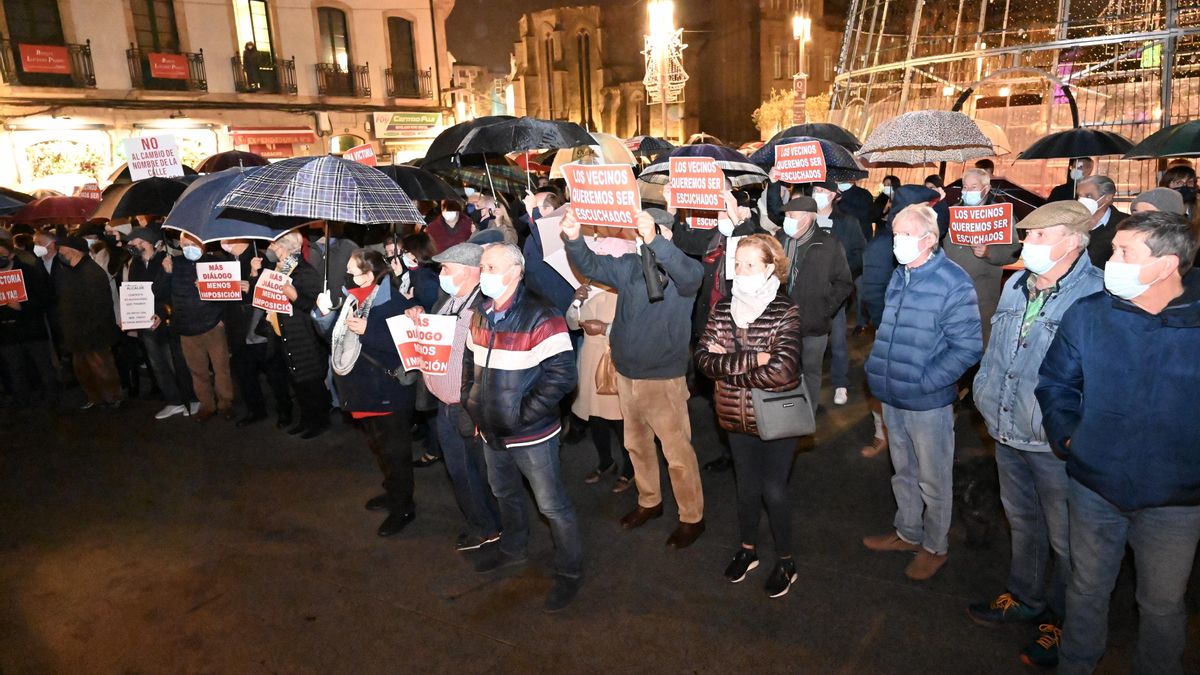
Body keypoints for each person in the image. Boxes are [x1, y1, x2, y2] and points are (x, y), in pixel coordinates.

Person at [1036, 211, 1200, 675]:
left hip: (1176, 501)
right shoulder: (1089, 314)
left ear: (1167, 265)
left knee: (1163, 605)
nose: (1111, 259)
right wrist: (1070, 438)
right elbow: (1055, 384)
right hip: (1094, 487)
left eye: (1125, 252)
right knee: (1085, 589)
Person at [968, 202, 1104, 668]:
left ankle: (1063, 622)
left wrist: (1072, 434)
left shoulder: (1096, 295)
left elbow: (1098, 379)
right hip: (1007, 429)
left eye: (1039, 238)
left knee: (1067, 539)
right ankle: (1024, 596)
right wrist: (984, 394)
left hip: (1054, 443)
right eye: (1027, 237)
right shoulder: (1018, 285)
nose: (1027, 245)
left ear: (1072, 240)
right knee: (1022, 521)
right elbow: (997, 349)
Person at [563, 207, 708, 549]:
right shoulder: (630, 266)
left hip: (662, 379)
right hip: (626, 373)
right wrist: (573, 239)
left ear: (667, 234)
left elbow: (691, 277)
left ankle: (692, 517)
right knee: (637, 445)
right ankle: (649, 501)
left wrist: (656, 240)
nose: (639, 238)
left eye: (650, 233)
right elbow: (592, 265)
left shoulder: (684, 270)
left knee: (677, 453)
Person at [862, 204, 982, 581]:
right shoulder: (902, 275)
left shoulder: (953, 281)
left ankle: (934, 546)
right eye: (894, 233)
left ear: (929, 240)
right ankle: (908, 532)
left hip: (926, 401)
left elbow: (967, 347)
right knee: (903, 471)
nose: (896, 241)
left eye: (905, 234)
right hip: (892, 393)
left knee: (933, 477)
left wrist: (928, 381)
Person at [461, 242, 582, 613]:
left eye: (491, 267)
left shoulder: (542, 316)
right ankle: (513, 548)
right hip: (491, 430)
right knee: (505, 493)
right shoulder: (480, 313)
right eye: (482, 267)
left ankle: (570, 571)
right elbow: (470, 363)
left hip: (531, 433)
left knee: (552, 505)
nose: (484, 274)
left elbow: (562, 376)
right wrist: (472, 402)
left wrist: (522, 414)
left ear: (515, 271)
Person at [696, 234, 803, 598]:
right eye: (737, 264)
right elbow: (703, 361)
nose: (740, 271)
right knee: (746, 488)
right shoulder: (724, 308)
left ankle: (786, 561)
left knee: (774, 490)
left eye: (750, 264)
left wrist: (728, 364)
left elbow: (783, 371)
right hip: (734, 415)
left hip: (775, 418)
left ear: (770, 267)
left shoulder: (785, 310)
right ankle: (748, 549)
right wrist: (754, 359)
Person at [314, 249, 418, 537]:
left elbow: (404, 345)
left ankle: (403, 507)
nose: (347, 275)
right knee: (380, 448)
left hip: (387, 393)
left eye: (352, 270)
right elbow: (335, 336)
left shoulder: (393, 301)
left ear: (370, 275)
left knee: (396, 453)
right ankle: (393, 492)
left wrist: (368, 330)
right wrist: (323, 315)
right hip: (364, 390)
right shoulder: (352, 300)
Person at [405, 242, 501, 551]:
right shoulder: (447, 299)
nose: (441, 274)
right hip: (444, 405)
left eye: (446, 268)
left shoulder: (484, 308)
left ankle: (488, 527)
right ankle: (485, 523)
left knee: (472, 472)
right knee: (460, 471)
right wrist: (418, 315)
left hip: (467, 407)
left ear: (470, 271)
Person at [776, 196, 852, 413]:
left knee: (810, 371)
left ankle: (806, 413)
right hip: (782, 322)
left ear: (808, 218)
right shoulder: (780, 239)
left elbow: (844, 282)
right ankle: (785, 412)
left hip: (814, 324)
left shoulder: (829, 244)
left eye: (792, 216)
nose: (787, 220)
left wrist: (826, 309)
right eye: (786, 216)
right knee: (785, 369)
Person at [250, 231, 330, 439]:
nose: (271, 249)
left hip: (303, 337)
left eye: (274, 246)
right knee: (297, 381)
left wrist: (295, 296)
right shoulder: (278, 269)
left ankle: (320, 421)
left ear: (283, 248)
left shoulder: (304, 271)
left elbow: (316, 307)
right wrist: (256, 275)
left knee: (311, 381)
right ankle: (306, 419)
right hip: (284, 335)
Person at [218, 239, 293, 429]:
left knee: (274, 373)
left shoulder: (262, 260)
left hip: (258, 329)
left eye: (227, 239)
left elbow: (270, 293)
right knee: (245, 373)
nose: (223, 242)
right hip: (236, 329)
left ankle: (285, 411)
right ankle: (255, 410)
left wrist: (252, 278)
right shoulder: (225, 263)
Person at [566, 281, 633, 492]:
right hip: (589, 361)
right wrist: (576, 301)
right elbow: (572, 324)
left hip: (612, 360)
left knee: (620, 419)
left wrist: (604, 329)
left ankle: (631, 468)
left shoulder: (625, 287)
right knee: (595, 417)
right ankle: (606, 463)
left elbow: (633, 329)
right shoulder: (587, 288)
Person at [125, 227, 197, 420]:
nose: (135, 246)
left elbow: (175, 292)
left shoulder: (167, 260)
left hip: (168, 320)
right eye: (133, 243)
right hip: (146, 322)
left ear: (152, 242)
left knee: (176, 362)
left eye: (139, 241)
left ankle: (191, 397)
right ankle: (174, 400)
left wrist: (161, 311)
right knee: (157, 363)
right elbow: (134, 292)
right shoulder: (135, 264)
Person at [942, 168, 1021, 343]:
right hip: (951, 288)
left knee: (980, 338)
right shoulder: (952, 212)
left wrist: (988, 252)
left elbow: (1013, 251)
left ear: (986, 188)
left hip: (982, 293)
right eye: (965, 186)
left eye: (974, 186)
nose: (968, 191)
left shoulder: (1001, 215)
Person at [166, 233, 235, 423]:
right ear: (180, 244)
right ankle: (207, 405)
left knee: (221, 368)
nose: (190, 247)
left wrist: (222, 318)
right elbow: (159, 292)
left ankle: (225, 403)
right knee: (198, 371)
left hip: (213, 324)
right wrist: (165, 273)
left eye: (194, 244)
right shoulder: (173, 263)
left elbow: (228, 294)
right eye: (186, 244)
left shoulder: (215, 262)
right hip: (186, 327)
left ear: (203, 245)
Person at [812, 181, 865, 406]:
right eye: (815, 190)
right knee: (807, 341)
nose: (817, 194)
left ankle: (840, 383)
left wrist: (842, 275)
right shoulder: (807, 218)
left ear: (834, 195)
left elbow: (859, 253)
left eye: (822, 191)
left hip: (835, 292)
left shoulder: (848, 222)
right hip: (808, 290)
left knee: (838, 340)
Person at [55, 237, 123, 409]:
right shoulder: (70, 271)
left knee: (102, 368)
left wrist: (87, 329)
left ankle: (112, 398)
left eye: (61, 248)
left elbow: (100, 306)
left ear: (72, 250)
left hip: (93, 334)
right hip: (76, 333)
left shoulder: (92, 273)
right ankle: (96, 397)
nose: (59, 252)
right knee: (83, 370)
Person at [0, 238, 58, 407]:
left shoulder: (28, 272)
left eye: (2, 255)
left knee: (43, 366)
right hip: (6, 333)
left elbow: (46, 298)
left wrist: (22, 305)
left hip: (32, 330)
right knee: (14, 368)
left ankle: (51, 398)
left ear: (11, 255)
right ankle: (21, 399)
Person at [1074, 175, 1127, 269]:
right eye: (1079, 196)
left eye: (1088, 196)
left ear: (1107, 198)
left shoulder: (1126, 225)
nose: (1081, 200)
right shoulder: (1070, 222)